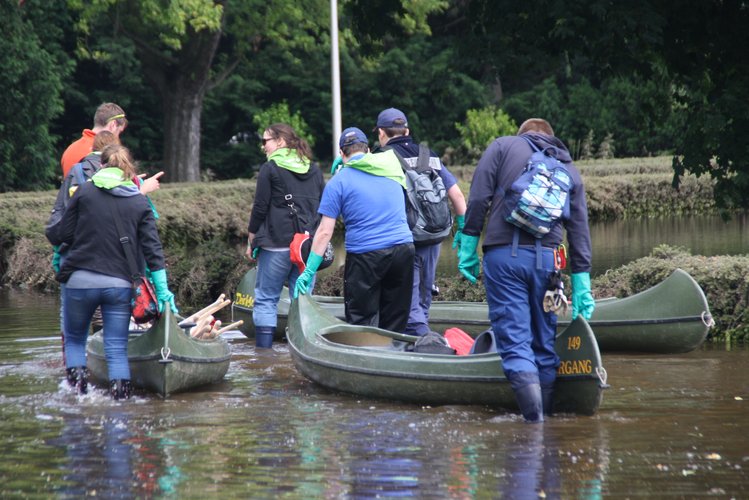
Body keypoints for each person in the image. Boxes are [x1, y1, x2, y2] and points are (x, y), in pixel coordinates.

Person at [456, 118, 595, 423]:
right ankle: (546, 427)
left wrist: (468, 243)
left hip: (504, 260)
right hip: (549, 264)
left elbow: (479, 197)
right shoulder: (567, 166)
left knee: (516, 342)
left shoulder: (503, 146)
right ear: (550, 137)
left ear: (524, 134)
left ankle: (534, 427)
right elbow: (580, 229)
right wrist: (582, 281)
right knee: (544, 344)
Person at [47, 144, 178, 400]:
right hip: (119, 285)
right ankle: (121, 406)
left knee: (75, 340)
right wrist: (163, 292)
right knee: (116, 348)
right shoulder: (140, 201)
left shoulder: (83, 192)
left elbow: (59, 233)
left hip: (79, 281)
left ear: (101, 165)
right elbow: (154, 251)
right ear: (129, 170)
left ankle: (77, 398)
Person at [295, 127, 415, 333]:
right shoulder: (392, 167)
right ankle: (394, 357)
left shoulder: (338, 182)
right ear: (368, 150)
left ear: (341, 154)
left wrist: (309, 271)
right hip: (404, 250)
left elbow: (324, 232)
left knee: (362, 321)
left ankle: (365, 358)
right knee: (396, 319)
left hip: (366, 256)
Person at [373, 108, 467, 337]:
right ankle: (421, 332)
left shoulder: (381, 157)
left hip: (405, 235)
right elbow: (457, 195)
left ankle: (423, 342)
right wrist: (463, 229)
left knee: (408, 298)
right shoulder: (429, 155)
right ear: (407, 130)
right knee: (424, 294)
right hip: (435, 232)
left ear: (381, 134)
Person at [245, 123, 325, 348]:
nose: (263, 147)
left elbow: (260, 207)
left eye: (265, 141)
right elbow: (322, 208)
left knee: (266, 299)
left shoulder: (270, 168)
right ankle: (302, 353)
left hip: (276, 244)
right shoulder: (314, 169)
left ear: (280, 141)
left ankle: (264, 357)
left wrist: (252, 237)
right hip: (306, 247)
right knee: (302, 301)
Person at [60, 103, 129, 177]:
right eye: (119, 132)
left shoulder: (70, 149)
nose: (118, 138)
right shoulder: (107, 152)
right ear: (113, 125)